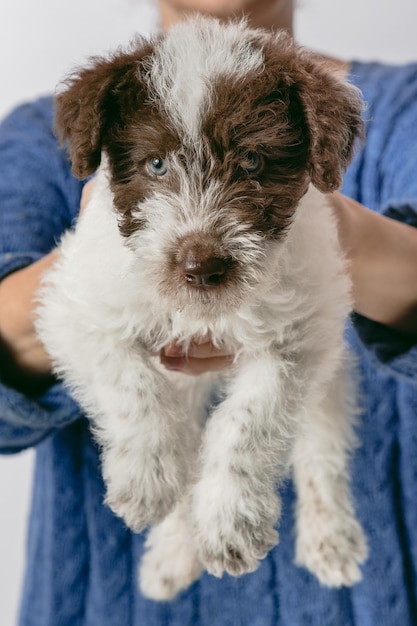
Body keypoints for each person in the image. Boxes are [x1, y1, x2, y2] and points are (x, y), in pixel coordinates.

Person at [1, 0, 417, 624]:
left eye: (250, 165)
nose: (199, 242)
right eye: (157, 165)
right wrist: (99, 280)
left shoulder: (398, 107)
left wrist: (344, 234)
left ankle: (322, 513)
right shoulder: (63, 121)